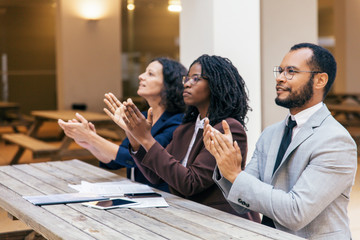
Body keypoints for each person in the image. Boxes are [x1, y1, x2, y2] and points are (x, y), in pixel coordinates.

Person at [204, 43, 357, 239]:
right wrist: (224, 162)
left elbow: (295, 212)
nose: (279, 78)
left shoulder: (336, 141)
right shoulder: (270, 134)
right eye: (280, 70)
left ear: (320, 80)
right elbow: (240, 202)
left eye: (291, 71)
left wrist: (235, 175)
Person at [111, 54, 260, 222]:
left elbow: (190, 183)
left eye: (196, 79)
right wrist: (133, 135)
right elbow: (155, 176)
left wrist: (146, 139)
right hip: (188, 215)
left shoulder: (228, 128)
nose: (187, 83)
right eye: (187, 78)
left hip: (222, 221)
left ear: (216, 84)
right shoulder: (186, 127)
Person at [58, 57, 186, 192]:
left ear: (168, 84)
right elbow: (115, 162)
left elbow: (131, 158)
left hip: (164, 197)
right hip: (138, 192)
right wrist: (90, 144)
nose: (141, 76)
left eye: (150, 74)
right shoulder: (140, 117)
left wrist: (92, 138)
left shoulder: (177, 122)